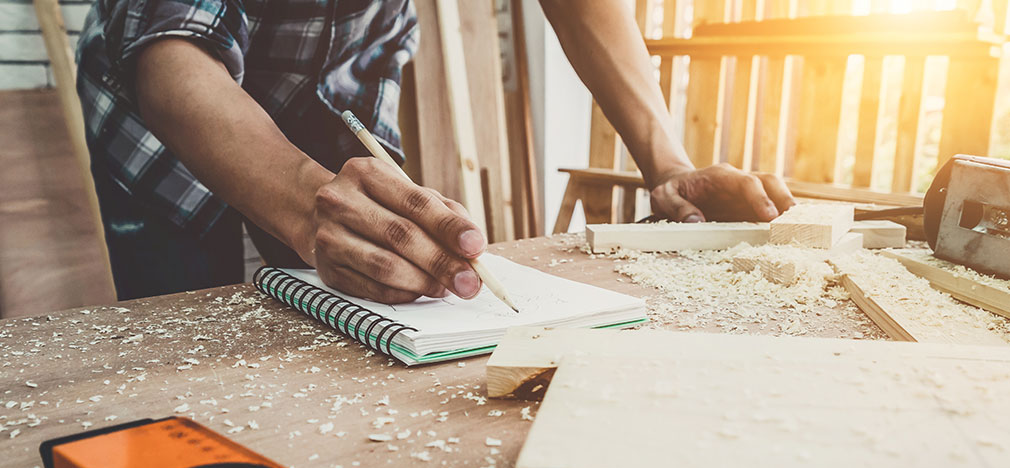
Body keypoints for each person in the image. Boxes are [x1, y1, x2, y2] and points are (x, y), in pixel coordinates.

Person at [77, 1, 795, 303]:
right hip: (167, 101)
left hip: (335, 85)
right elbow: (173, 53)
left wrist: (666, 164)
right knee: (188, 333)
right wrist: (305, 205)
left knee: (373, 302)